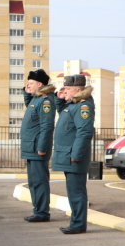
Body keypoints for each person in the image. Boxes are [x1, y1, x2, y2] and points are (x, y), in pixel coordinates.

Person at [52, 75, 96, 234]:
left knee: (76, 192)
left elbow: (84, 132)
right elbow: (64, 113)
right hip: (68, 155)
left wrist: (76, 154)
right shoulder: (73, 105)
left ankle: (78, 224)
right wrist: (60, 99)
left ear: (78, 90)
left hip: (73, 156)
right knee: (73, 191)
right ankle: (76, 222)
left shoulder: (83, 106)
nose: (65, 91)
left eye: (68, 89)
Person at [20, 69, 56, 222]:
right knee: (33, 181)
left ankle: (42, 212)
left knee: (40, 181)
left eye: (30, 83)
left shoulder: (46, 101)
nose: (27, 85)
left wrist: (42, 147)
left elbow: (47, 126)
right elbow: (28, 103)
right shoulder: (35, 99)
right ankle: (38, 210)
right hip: (30, 147)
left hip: (37, 148)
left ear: (40, 84)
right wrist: (27, 91)